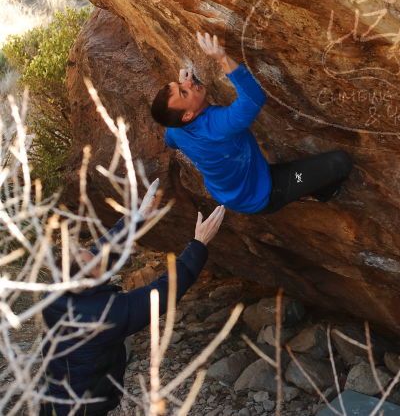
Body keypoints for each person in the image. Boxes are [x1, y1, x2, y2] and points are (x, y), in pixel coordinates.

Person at [39, 183, 226, 416]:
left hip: (52, 399)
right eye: (97, 265)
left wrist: (137, 218)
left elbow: (102, 251)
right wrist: (198, 244)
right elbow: (163, 291)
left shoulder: (53, 292)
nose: (99, 258)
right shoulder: (104, 314)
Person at [150, 32, 352, 214]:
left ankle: (303, 185)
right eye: (184, 92)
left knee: (301, 171)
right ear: (187, 116)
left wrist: (183, 91)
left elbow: (170, 140)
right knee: (339, 163)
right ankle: (322, 193)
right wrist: (222, 58)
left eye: (180, 84)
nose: (188, 82)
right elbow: (253, 98)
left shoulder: (176, 130)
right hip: (266, 192)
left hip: (229, 193)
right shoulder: (219, 127)